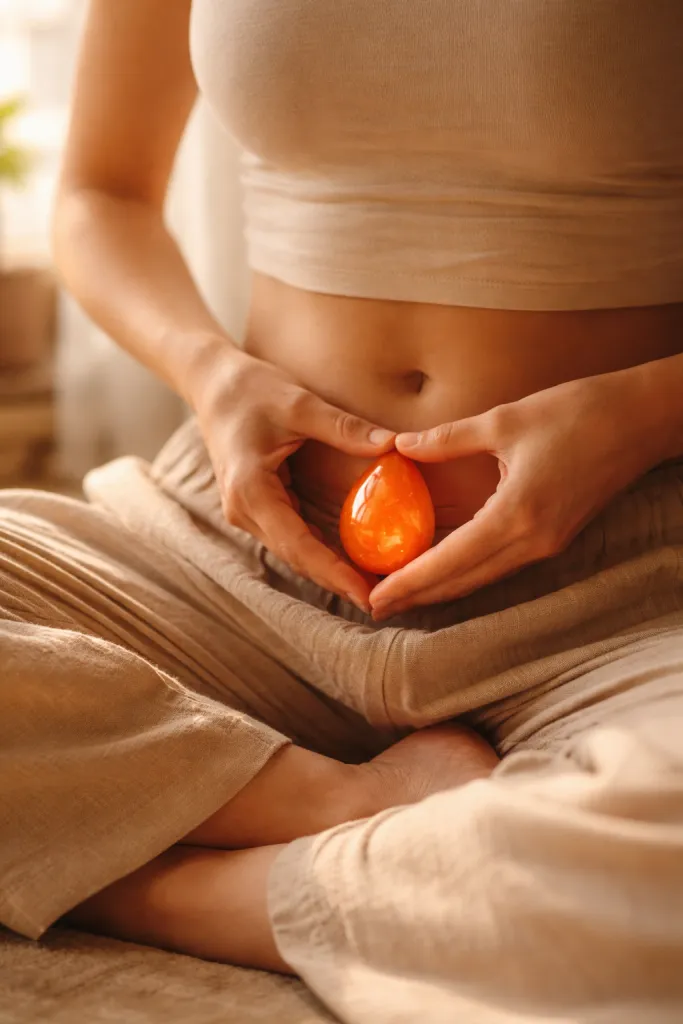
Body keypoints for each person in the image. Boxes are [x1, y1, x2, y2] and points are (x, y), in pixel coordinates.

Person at [2, 1, 683, 1019]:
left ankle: (157, 886)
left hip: (621, 596)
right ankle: (340, 807)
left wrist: (641, 411)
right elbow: (102, 194)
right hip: (218, 562)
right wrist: (209, 372)